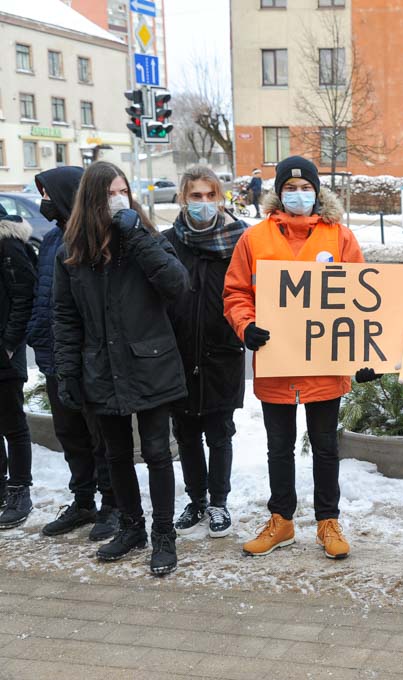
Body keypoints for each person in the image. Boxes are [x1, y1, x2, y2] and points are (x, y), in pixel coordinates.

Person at [224, 156, 364, 561]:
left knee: (325, 447)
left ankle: (327, 521)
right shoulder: (255, 238)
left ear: (317, 192)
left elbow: (361, 298)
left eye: (306, 188)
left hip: (323, 364)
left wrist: (363, 351)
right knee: (278, 447)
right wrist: (245, 326)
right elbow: (236, 293)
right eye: (291, 187)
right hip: (276, 362)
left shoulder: (339, 237)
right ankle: (281, 520)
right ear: (279, 191)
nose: (298, 194)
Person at [53, 161, 188, 576]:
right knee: (115, 454)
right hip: (101, 367)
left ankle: (164, 534)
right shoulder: (71, 250)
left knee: (155, 452)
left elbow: (176, 284)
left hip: (151, 364)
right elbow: (65, 316)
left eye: (123, 191)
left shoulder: (143, 238)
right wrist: (67, 373)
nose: (118, 199)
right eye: (110, 193)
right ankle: (132, 526)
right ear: (93, 198)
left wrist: (135, 235)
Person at [27, 166, 119, 540]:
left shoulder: (95, 240)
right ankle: (83, 500)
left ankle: (113, 504)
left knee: (101, 437)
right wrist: (37, 334)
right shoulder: (52, 239)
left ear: (67, 194)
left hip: (89, 360)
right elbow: (45, 298)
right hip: (55, 357)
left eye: (47, 194)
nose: (43, 202)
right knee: (70, 433)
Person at [165, 166, 247, 539]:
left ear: (221, 198)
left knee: (219, 433)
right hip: (178, 356)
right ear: (183, 197)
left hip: (221, 354)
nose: (203, 203)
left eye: (210, 195)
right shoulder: (168, 242)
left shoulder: (239, 242)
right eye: (196, 196)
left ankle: (218, 502)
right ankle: (196, 500)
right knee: (185, 434)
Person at [0, 203, 37, 529]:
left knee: (13, 425)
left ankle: (19, 489)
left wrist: (9, 344)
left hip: (4, 356)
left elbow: (25, 295)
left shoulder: (9, 245)